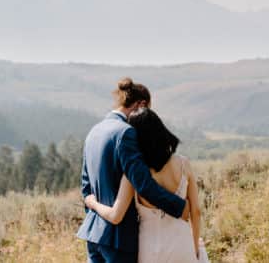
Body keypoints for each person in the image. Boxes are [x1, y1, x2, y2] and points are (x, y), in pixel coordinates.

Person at [78, 78, 188, 263]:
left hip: (94, 234)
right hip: (119, 238)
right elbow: (143, 184)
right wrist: (181, 207)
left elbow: (86, 188)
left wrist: (94, 207)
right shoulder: (126, 132)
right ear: (141, 104)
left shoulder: (94, 132)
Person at [85, 108, 208, 263]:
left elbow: (115, 216)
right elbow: (195, 212)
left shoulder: (133, 174)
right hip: (181, 244)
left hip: (149, 249)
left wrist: (92, 203)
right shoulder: (184, 164)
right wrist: (195, 246)